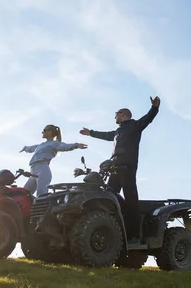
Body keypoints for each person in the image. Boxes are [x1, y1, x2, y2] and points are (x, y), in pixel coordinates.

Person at [79, 96, 160, 244]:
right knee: (109, 197)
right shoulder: (117, 131)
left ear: (123, 114)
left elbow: (148, 119)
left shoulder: (135, 126)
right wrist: (90, 132)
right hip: (114, 169)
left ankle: (134, 236)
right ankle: (112, 230)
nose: (114, 116)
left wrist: (154, 108)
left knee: (131, 201)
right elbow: (105, 135)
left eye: (116, 114)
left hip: (127, 168)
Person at [20, 124, 87, 197]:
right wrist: (25, 148)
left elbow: (65, 147)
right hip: (33, 171)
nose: (42, 132)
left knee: (41, 195)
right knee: (23, 194)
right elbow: (31, 148)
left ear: (50, 132)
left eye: (44, 130)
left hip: (42, 170)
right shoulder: (41, 145)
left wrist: (76, 145)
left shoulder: (55, 144)